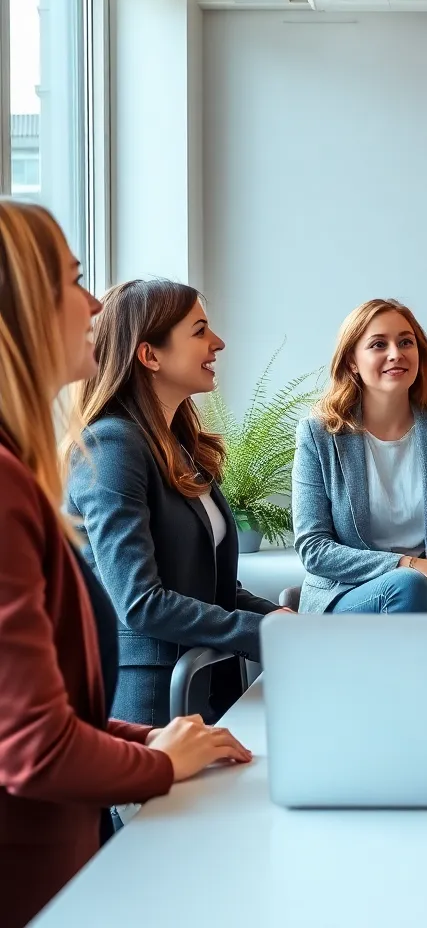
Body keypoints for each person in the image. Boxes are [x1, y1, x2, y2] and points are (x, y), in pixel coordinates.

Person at [0, 202, 251, 928]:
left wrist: (149, 744)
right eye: (74, 282)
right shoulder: (73, 461)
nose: (91, 304)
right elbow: (34, 748)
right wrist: (160, 758)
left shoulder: (30, 468)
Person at [65, 280, 288, 728]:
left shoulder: (177, 447)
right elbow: (141, 602)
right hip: (150, 698)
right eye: (200, 330)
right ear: (150, 355)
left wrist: (276, 616)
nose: (218, 342)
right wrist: (265, 633)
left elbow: (204, 586)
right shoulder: (112, 447)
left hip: (206, 683)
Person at [292, 299, 427, 614]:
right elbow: (314, 549)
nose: (395, 353)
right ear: (352, 362)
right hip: (348, 598)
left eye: (405, 342)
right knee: (410, 585)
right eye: (378, 344)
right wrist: (411, 567)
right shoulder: (319, 435)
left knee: (416, 590)